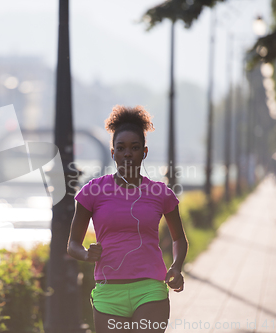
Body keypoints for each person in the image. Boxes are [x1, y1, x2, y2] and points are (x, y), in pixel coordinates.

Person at [67, 105, 188, 333]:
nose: (127, 153)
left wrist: (176, 266)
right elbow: (72, 244)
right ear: (113, 153)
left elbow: (179, 238)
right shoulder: (92, 192)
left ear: (144, 152)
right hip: (108, 291)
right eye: (121, 148)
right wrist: (86, 254)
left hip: (150, 289)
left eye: (134, 148)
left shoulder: (161, 194)